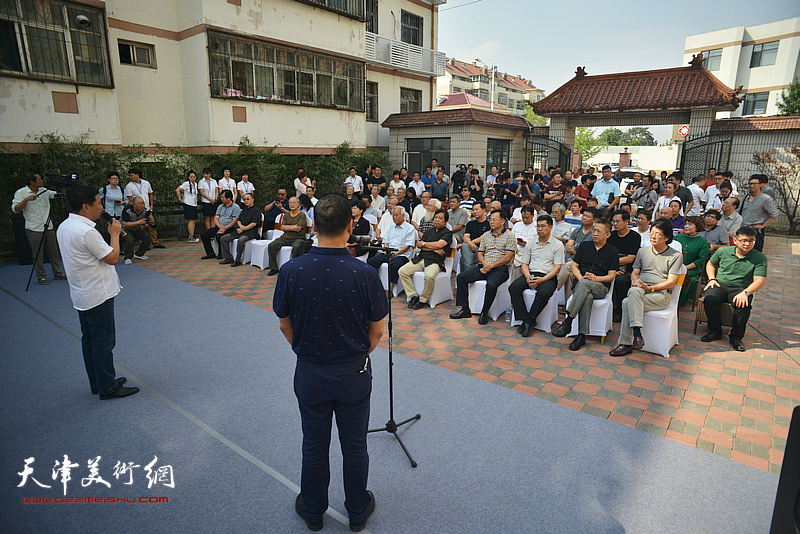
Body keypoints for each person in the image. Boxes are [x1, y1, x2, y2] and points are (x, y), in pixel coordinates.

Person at [273, 194, 386, 533]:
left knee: (314, 444)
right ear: (351, 226)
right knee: (354, 446)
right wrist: (356, 354)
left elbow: (284, 322)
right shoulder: (365, 273)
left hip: (310, 372)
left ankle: (312, 511)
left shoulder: (292, 270)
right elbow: (378, 330)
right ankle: (356, 510)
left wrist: (304, 351)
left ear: (314, 227)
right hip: (353, 372)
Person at [56, 186, 139, 399]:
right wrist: (114, 234)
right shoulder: (87, 232)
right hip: (97, 293)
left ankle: (99, 381)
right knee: (103, 341)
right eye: (98, 203)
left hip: (82, 292)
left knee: (90, 339)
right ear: (85, 207)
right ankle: (108, 387)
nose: (101, 206)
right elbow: (112, 258)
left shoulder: (65, 226)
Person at [609, 218, 683, 357]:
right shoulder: (643, 251)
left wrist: (650, 288)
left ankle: (627, 342)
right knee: (634, 290)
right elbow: (635, 272)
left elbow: (671, 282)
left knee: (626, 302)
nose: (653, 236)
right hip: (640, 290)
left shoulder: (675, 255)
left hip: (660, 294)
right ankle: (636, 337)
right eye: (652, 233)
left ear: (667, 237)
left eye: (658, 234)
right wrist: (635, 281)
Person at [552, 218, 619, 351]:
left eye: (599, 231)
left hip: (600, 287)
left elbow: (611, 276)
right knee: (585, 294)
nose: (594, 233)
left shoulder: (612, 252)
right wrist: (581, 278)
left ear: (607, 234)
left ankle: (568, 321)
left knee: (584, 286)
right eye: (594, 230)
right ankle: (581, 336)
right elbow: (575, 266)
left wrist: (596, 278)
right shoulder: (584, 246)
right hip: (582, 283)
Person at [701, 226, 767, 352]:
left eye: (751, 241)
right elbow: (711, 264)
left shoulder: (759, 258)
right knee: (709, 299)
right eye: (744, 240)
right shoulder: (723, 251)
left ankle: (736, 337)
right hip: (720, 285)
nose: (747, 244)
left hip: (741, 288)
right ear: (735, 241)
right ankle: (715, 330)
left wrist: (745, 293)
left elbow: (759, 280)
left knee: (743, 305)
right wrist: (712, 279)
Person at [450, 209, 516, 324]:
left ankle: (484, 313)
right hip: (484, 266)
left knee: (491, 284)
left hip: (500, 269)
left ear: (502, 221)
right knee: (461, 277)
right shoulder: (486, 235)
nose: (491, 222)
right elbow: (480, 254)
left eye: (495, 220)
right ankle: (465, 309)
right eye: (490, 219)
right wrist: (485, 264)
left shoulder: (510, 236)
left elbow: (508, 257)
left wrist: (491, 266)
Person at [508, 214, 564, 337]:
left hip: (548, 276)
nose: (539, 229)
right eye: (538, 226)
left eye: (543, 226)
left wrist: (542, 279)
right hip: (531, 273)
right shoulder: (531, 243)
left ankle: (529, 320)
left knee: (544, 293)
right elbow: (524, 263)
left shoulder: (557, 245)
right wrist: (528, 276)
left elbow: (557, 267)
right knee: (513, 287)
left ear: (550, 227)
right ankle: (524, 318)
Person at [12, 172, 67, 285]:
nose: (42, 180)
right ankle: (41, 276)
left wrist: (63, 185)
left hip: (48, 226)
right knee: (37, 254)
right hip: (33, 227)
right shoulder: (21, 192)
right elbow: (15, 209)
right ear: (32, 182)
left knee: (54, 252)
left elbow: (59, 196)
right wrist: (26, 199)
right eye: (39, 179)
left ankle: (58, 273)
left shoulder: (45, 191)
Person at [398, 209, 452, 310]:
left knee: (430, 276)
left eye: (440, 218)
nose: (437, 220)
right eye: (436, 217)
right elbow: (418, 245)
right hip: (421, 258)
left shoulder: (448, 233)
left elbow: (440, 244)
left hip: (435, 261)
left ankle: (422, 300)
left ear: (445, 222)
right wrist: (434, 248)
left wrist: (425, 245)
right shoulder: (429, 231)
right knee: (402, 271)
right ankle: (413, 295)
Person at [367, 206, 417, 285]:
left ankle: (390, 288)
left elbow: (407, 246)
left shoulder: (410, 228)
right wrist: (387, 250)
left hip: (402, 255)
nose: (394, 217)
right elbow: (386, 241)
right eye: (393, 215)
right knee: (371, 261)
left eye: (397, 215)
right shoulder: (391, 227)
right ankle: (374, 282)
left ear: (403, 216)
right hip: (389, 252)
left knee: (394, 265)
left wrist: (397, 253)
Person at [608, 210, 642, 323]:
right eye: (613, 221)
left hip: (628, 270)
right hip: (611, 268)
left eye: (618, 221)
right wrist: (613, 269)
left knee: (621, 280)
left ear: (627, 221)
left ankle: (619, 311)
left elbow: (630, 258)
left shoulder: (634, 237)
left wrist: (613, 264)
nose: (615, 224)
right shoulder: (611, 236)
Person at [267, 197, 308, 275]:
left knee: (297, 246)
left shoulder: (302, 215)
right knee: (272, 245)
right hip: (285, 237)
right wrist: (293, 227)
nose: (292, 204)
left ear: (298, 204)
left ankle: (295, 268)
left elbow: (298, 228)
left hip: (298, 238)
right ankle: (273, 267)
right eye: (290, 203)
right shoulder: (286, 215)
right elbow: (282, 227)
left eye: (294, 203)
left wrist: (288, 227)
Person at [674, 216, 710, 306]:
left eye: (690, 224)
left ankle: (678, 303)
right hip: (674, 266)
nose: (686, 226)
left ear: (697, 226)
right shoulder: (678, 237)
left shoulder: (702, 242)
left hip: (690, 270)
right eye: (685, 224)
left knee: (683, 278)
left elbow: (700, 260)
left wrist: (685, 268)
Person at [125, 168, 164, 248]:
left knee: (152, 226)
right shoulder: (129, 186)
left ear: (137, 175)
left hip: (147, 209)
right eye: (129, 176)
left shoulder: (146, 183)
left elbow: (150, 194)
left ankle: (155, 243)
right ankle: (144, 244)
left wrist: (151, 206)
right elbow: (129, 200)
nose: (130, 177)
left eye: (132, 176)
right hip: (138, 211)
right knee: (141, 228)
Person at [219, 193, 261, 266]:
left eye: (248, 199)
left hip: (251, 232)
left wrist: (243, 229)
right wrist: (241, 226)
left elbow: (254, 223)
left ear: (252, 200)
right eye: (244, 199)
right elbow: (238, 220)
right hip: (240, 230)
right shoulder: (244, 210)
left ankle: (238, 260)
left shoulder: (256, 211)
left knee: (241, 240)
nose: (246, 201)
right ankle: (228, 258)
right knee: (223, 238)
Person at [740, 174, 778, 252]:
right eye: (750, 184)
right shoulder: (746, 197)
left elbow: (774, 214)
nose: (751, 185)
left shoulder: (765, 199)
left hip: (755, 231)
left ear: (761, 185)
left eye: (754, 183)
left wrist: (763, 225)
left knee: (755, 253)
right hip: (743, 229)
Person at [200, 190, 241, 260]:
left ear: (229, 198)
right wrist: (220, 226)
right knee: (204, 234)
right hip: (219, 226)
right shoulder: (220, 206)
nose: (221, 199)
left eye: (223, 197)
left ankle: (221, 254)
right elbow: (216, 218)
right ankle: (210, 253)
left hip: (230, 228)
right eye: (221, 197)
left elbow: (234, 221)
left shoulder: (235, 207)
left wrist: (225, 228)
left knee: (219, 236)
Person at [121, 197, 153, 265]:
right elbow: (125, 224)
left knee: (147, 238)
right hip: (124, 229)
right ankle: (128, 258)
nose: (143, 205)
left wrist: (146, 224)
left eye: (143, 203)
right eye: (140, 203)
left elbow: (143, 220)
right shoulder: (127, 210)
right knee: (130, 239)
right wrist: (138, 222)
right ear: (134, 205)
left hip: (135, 228)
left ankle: (139, 254)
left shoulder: (144, 210)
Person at [460, 201, 490, 273]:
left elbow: (483, 238)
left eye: (477, 209)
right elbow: (465, 237)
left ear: (483, 210)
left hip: (482, 250)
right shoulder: (470, 223)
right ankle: (469, 271)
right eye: (473, 210)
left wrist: (470, 243)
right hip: (470, 249)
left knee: (464, 247)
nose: (474, 212)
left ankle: (467, 274)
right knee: (465, 248)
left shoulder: (489, 224)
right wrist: (470, 244)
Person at [510, 205, 538, 281]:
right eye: (523, 217)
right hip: (516, 251)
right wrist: (514, 246)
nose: (525, 219)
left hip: (531, 253)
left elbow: (539, 243)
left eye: (527, 217)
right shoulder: (517, 225)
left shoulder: (537, 226)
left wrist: (526, 244)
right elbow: (511, 239)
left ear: (532, 215)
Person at [176, 169, 200, 243]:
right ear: (188, 177)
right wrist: (180, 198)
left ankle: (192, 235)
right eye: (191, 177)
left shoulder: (195, 184)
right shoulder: (186, 184)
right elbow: (178, 189)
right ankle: (190, 236)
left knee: (194, 220)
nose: (193, 178)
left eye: (194, 177)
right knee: (191, 220)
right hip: (188, 203)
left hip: (194, 203)